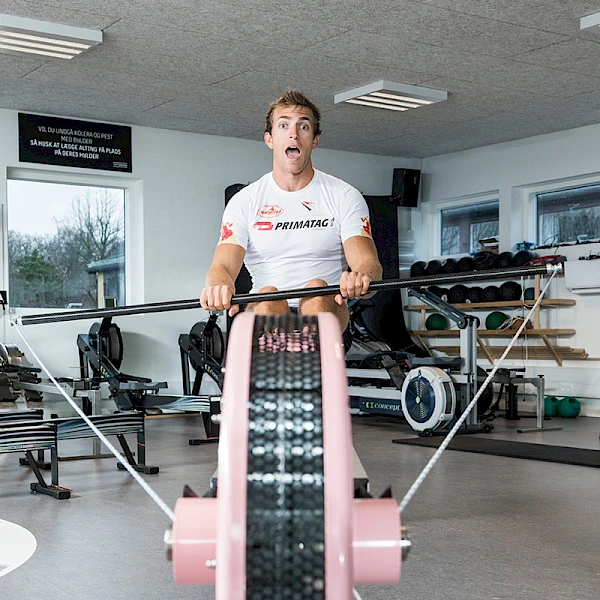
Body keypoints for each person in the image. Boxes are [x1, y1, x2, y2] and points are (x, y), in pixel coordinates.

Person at [200, 89, 382, 331]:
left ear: (314, 140)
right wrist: (218, 286)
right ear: (269, 139)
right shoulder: (244, 201)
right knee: (268, 297)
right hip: (266, 310)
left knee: (316, 289)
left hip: (326, 308)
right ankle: (276, 348)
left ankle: (312, 347)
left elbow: (368, 262)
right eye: (284, 125)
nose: (293, 134)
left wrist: (362, 277)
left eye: (303, 126)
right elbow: (222, 267)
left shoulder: (344, 195)